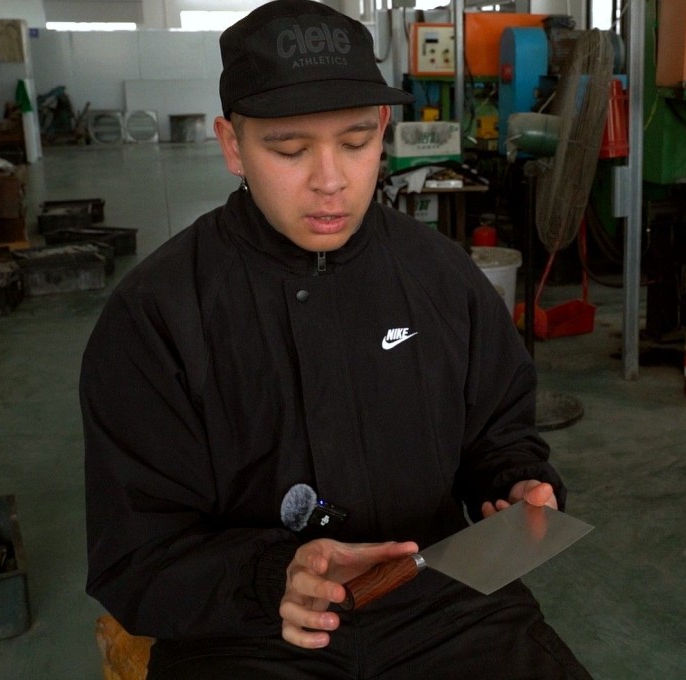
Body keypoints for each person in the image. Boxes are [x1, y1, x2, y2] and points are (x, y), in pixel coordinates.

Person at [80, 1, 592, 677]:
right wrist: (274, 576)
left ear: (383, 128)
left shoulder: (441, 278)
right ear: (232, 143)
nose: (331, 181)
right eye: (289, 149)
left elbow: (498, 432)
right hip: (254, 630)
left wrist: (517, 481)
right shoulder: (158, 316)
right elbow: (137, 556)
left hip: (441, 598)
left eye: (355, 142)